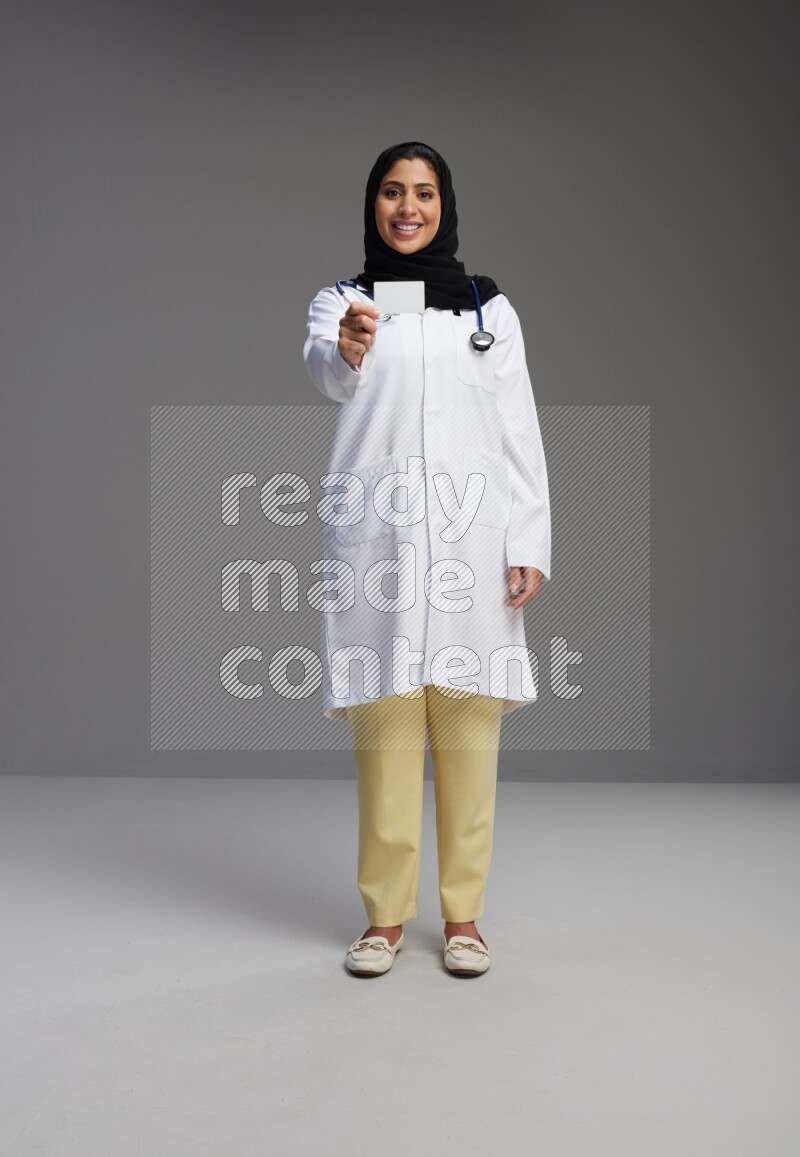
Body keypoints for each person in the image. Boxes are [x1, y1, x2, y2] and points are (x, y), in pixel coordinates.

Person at [303, 141, 551, 977]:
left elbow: (519, 431)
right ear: (371, 204)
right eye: (391, 193)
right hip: (380, 546)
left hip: (474, 547)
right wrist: (346, 345)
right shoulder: (344, 302)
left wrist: (529, 541)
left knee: (469, 734)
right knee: (387, 732)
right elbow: (327, 376)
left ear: (445, 206)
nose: (408, 208)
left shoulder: (489, 309)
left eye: (424, 193)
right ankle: (382, 919)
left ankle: (464, 917)